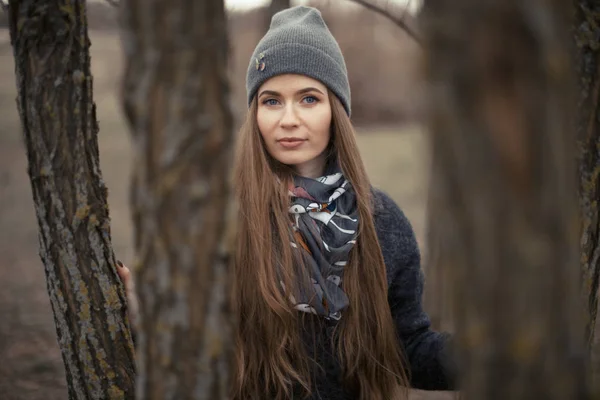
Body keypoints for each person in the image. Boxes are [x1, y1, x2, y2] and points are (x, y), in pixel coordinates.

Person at [118, 5, 455, 400]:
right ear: (255, 113)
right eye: (272, 101)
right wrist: (143, 316)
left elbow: (407, 350)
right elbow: (189, 351)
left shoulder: (382, 221)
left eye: (309, 99)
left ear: (336, 110)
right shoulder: (224, 219)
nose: (288, 119)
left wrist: (496, 356)